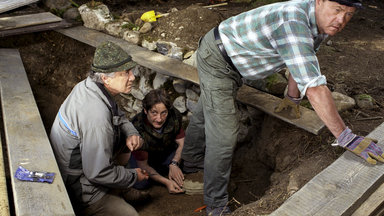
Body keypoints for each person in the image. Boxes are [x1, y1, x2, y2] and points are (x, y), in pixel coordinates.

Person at [181, 0, 384, 215]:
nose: (341, 20)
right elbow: (315, 89)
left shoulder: (321, 23)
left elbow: (300, 59)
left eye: (349, 15)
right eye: (338, 10)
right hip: (217, 60)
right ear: (319, 1)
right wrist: (346, 137)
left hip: (233, 58)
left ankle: (190, 161)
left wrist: (292, 97)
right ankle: (216, 206)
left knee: (207, 110)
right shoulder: (293, 21)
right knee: (224, 134)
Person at [49, 41, 149, 216]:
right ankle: (98, 202)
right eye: (125, 73)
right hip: (77, 184)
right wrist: (132, 176)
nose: (132, 77)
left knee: (125, 139)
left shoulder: (90, 87)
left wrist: (132, 132)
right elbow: (97, 172)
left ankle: (119, 189)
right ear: (105, 78)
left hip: (81, 162)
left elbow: (119, 115)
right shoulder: (96, 116)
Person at [130, 89, 186, 194]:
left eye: (163, 113)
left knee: (186, 159)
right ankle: (161, 173)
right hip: (144, 159)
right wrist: (167, 182)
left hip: (164, 151)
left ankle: (165, 169)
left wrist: (174, 163)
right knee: (141, 183)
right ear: (146, 111)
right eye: (154, 113)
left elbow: (182, 142)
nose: (159, 119)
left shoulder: (174, 116)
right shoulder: (137, 128)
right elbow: (143, 165)